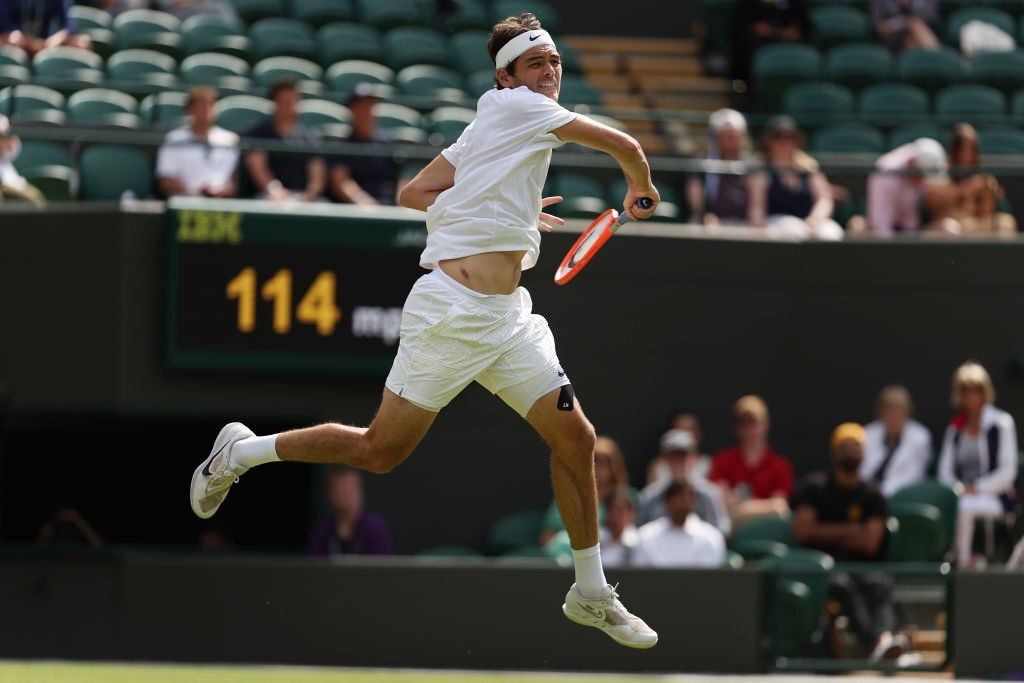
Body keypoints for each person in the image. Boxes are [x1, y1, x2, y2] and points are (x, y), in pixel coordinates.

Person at [190, 12, 661, 649]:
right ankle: (240, 452)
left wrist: (506, 209)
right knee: (378, 451)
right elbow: (627, 149)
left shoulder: (483, 131)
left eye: (554, 61)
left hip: (507, 320)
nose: (550, 72)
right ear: (506, 76)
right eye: (535, 63)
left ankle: (590, 592)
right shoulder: (518, 107)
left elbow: (414, 193)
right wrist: (642, 190)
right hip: (449, 313)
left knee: (577, 440)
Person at [792, 423, 904, 661]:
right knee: (840, 585)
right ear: (834, 452)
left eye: (857, 447)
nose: (851, 453)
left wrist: (824, 531)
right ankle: (873, 645)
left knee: (879, 584)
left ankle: (883, 639)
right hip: (824, 567)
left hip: (861, 566)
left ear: (864, 453)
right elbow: (803, 531)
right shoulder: (814, 487)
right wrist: (852, 530)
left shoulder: (873, 496)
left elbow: (869, 544)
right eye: (845, 447)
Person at [937, 361, 1019, 568]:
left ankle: (962, 565)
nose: (971, 395)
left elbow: (1008, 471)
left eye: (977, 389)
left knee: (964, 506)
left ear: (985, 392)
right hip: (962, 494)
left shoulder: (1002, 423)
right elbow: (944, 472)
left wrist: (978, 488)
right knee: (960, 504)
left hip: (995, 497)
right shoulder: (955, 429)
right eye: (965, 390)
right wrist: (960, 489)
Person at [748, 116, 844, 241]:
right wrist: (757, 229)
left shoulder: (808, 167)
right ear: (769, 141)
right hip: (775, 223)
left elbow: (824, 199)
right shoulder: (761, 170)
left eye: (791, 138)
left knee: (830, 233)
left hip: (808, 221)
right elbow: (757, 207)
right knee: (794, 231)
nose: (786, 143)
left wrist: (814, 219)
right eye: (779, 138)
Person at [709, 395, 794, 526]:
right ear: (735, 428)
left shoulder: (780, 465)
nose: (748, 428)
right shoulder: (722, 460)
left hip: (767, 530)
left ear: (766, 424)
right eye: (742, 422)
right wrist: (763, 506)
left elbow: (779, 507)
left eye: (753, 421)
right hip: (731, 533)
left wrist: (742, 508)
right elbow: (722, 503)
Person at [539, 435, 629, 546]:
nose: (594, 467)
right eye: (590, 462)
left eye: (601, 462)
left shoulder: (626, 498)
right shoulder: (566, 496)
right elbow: (547, 536)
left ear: (613, 467)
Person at [245, 80, 326, 202]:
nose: (289, 103)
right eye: (283, 99)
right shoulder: (260, 133)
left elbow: (317, 172)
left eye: (292, 99)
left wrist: (309, 196)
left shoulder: (310, 136)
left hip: (304, 197)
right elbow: (256, 165)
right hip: (269, 196)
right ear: (275, 102)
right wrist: (276, 191)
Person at [638, 429, 730, 534]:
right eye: (674, 456)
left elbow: (720, 532)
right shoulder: (649, 496)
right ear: (665, 460)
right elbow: (640, 532)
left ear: (694, 458)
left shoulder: (709, 494)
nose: (679, 462)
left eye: (684, 456)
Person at [863, 137, 958, 236]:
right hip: (887, 232)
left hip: (913, 231)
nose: (923, 180)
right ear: (911, 163)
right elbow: (881, 227)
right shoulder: (886, 173)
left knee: (949, 228)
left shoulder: (919, 176)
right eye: (921, 175)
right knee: (857, 226)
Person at [156, 87, 239, 198]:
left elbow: (232, 182)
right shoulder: (174, 139)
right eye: (201, 106)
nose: (206, 110)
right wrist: (194, 192)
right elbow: (165, 181)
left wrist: (221, 191)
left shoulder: (230, 140)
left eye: (210, 105)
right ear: (189, 110)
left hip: (220, 205)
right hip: (185, 203)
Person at [329, 84, 397, 206]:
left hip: (389, 208)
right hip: (355, 212)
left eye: (369, 106)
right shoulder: (342, 145)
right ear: (352, 111)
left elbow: (401, 178)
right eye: (360, 107)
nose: (365, 112)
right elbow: (341, 182)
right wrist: (365, 203)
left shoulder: (388, 143)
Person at [634, 480, 726, 568]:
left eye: (688, 497)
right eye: (678, 498)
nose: (683, 503)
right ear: (667, 502)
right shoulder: (646, 536)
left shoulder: (711, 537)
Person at [945, 123, 1016, 236]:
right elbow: (936, 200)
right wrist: (962, 190)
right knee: (955, 227)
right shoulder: (942, 172)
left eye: (970, 148)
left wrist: (988, 190)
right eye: (961, 147)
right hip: (954, 225)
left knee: (1005, 223)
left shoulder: (983, 179)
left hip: (978, 224)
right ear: (954, 149)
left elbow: (987, 213)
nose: (966, 154)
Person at [861, 385, 932, 498]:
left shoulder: (920, 437)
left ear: (907, 413)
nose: (893, 416)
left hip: (904, 497)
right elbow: (862, 471)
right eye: (888, 410)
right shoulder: (868, 433)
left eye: (898, 411)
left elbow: (913, 477)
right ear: (880, 413)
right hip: (868, 496)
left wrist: (881, 490)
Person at [686, 108, 752, 228]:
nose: (729, 142)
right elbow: (696, 201)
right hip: (710, 222)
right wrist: (704, 216)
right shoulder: (701, 162)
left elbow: (756, 207)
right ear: (715, 137)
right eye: (724, 136)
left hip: (745, 222)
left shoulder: (752, 164)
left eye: (732, 136)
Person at [308, 466, 393, 556]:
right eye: (336, 488)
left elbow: (381, 567)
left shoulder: (376, 528)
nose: (342, 494)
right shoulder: (321, 531)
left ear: (360, 490)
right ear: (328, 493)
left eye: (348, 488)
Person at [730, 0, 810, 86]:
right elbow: (741, 29)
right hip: (758, 46)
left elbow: (804, 27)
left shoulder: (794, 3)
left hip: (790, 45)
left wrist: (792, 32)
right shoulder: (746, 4)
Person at [0, 0, 91, 55]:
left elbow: (69, 24)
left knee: (81, 42)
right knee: (13, 39)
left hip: (47, 44)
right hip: (19, 41)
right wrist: (30, 42)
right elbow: (5, 25)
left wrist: (56, 39)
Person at [646, 409, 710, 485]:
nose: (686, 436)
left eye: (690, 430)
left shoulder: (709, 464)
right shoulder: (657, 466)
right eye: (681, 430)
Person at [0, 115, 45, 206]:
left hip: (8, 179)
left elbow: (13, 148)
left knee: (35, 197)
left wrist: (7, 140)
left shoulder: (2, 120)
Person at [871, 0, 939, 53]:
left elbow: (929, 18)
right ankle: (936, 57)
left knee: (912, 38)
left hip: (918, 33)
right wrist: (902, 23)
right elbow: (878, 27)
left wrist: (908, 22)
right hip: (892, 36)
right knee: (913, 26)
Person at [599, 487, 640, 568]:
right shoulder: (598, 539)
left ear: (632, 513)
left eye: (620, 510)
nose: (615, 515)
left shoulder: (639, 542)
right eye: (611, 510)